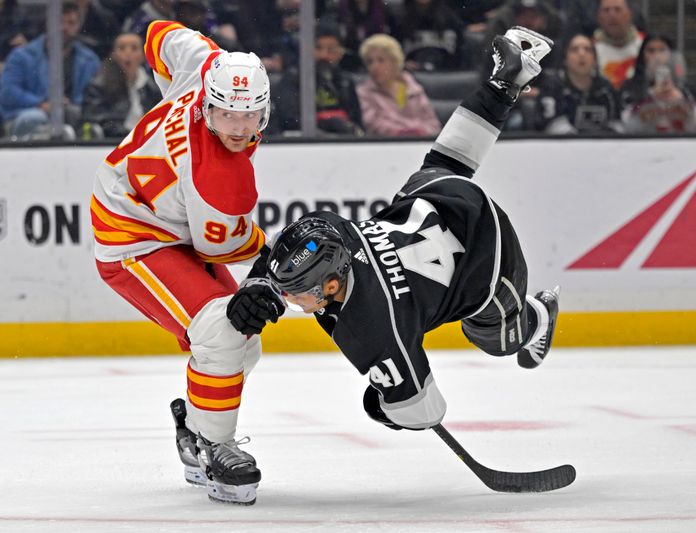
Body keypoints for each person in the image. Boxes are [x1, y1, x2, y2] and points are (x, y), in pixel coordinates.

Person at [227, 26, 562, 434]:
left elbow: (427, 413)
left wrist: (387, 405)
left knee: (497, 339)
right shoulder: (334, 236)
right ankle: (505, 81)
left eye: (298, 295)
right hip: (445, 198)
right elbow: (294, 240)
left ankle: (538, 315)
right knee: (447, 163)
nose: (290, 301)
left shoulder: (373, 332)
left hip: (487, 254)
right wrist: (261, 285)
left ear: (330, 287)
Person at [91, 20, 278, 505]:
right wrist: (272, 257)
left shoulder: (205, 64)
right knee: (223, 329)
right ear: (207, 104)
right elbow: (224, 247)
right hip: (131, 234)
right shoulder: (220, 179)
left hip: (162, 215)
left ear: (264, 109)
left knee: (245, 344)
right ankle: (214, 445)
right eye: (225, 115)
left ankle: (195, 428)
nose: (238, 129)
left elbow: (158, 33)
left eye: (249, 115)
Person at [0, 1, 100, 140]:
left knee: (90, 124)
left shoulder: (90, 60)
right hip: (26, 117)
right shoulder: (21, 56)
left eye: (70, 22)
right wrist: (41, 104)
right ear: (49, 23)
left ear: (79, 26)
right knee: (35, 118)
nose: (64, 28)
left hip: (71, 117)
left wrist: (69, 107)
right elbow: (8, 92)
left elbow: (92, 97)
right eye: (60, 21)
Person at [272, 24, 363, 135]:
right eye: (318, 48)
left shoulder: (346, 82)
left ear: (341, 52)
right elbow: (290, 121)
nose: (324, 55)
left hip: (343, 145)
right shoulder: (293, 79)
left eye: (331, 49)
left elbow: (357, 123)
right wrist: (329, 123)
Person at [527, 32, 621, 133]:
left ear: (595, 60)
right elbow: (549, 124)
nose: (582, 54)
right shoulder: (553, 87)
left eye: (588, 50)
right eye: (574, 50)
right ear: (565, 59)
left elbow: (616, 122)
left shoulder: (605, 88)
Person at [356, 33, 441, 137]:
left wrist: (419, 131)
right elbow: (373, 124)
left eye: (381, 60)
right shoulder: (363, 93)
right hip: (385, 146)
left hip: (419, 144)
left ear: (395, 62)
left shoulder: (414, 89)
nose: (374, 67)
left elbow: (433, 124)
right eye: (370, 62)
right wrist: (404, 132)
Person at [81, 32, 162, 138]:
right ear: (113, 55)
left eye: (134, 48)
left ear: (143, 56)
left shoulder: (152, 87)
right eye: (122, 48)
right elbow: (98, 119)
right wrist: (130, 136)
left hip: (148, 142)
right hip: (115, 142)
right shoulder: (99, 86)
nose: (128, 53)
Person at [592, 0, 644, 90]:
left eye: (618, 9)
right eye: (606, 10)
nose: (612, 15)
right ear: (599, 17)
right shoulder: (589, 48)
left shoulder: (645, 45)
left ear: (629, 14)